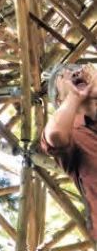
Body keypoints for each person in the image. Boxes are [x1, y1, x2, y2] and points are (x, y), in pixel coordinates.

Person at [42, 63, 97, 240]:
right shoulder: (70, 133)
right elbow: (55, 135)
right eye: (63, 75)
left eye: (79, 69)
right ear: (59, 100)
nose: (75, 72)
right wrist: (75, 96)